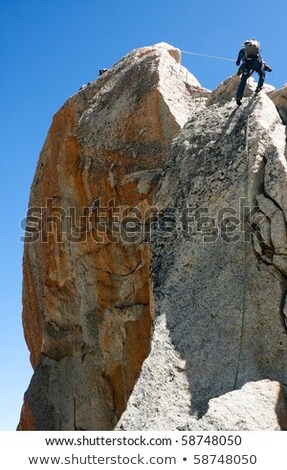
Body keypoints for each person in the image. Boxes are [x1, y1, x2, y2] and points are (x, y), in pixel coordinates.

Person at [235, 39, 272, 106]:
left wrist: (238, 63)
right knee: (262, 74)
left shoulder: (243, 50)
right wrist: (268, 68)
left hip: (247, 65)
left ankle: (238, 98)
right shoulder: (257, 52)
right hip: (257, 64)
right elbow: (262, 62)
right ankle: (259, 88)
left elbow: (238, 62)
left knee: (243, 81)